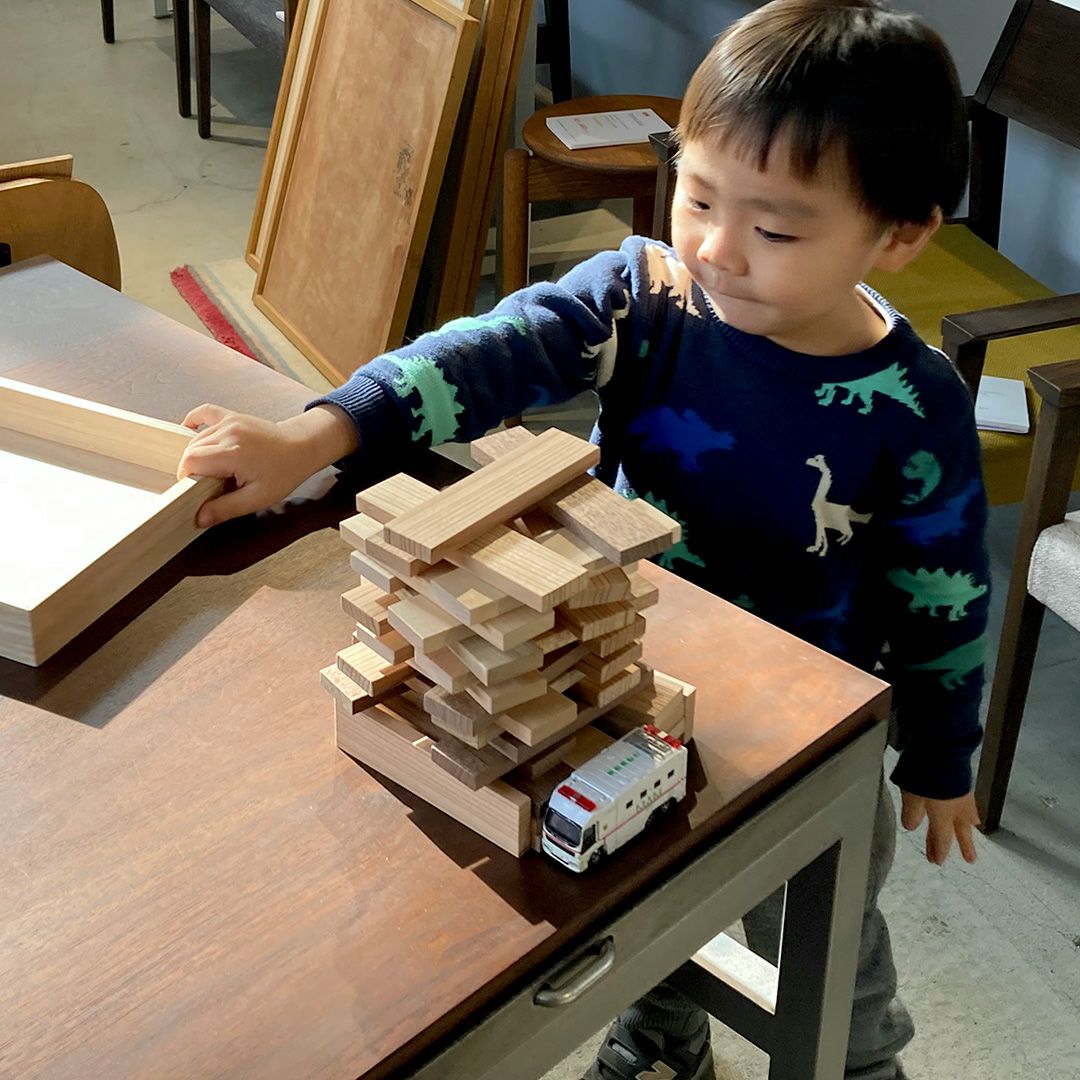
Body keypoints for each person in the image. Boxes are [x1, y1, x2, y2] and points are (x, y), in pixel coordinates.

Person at [178, 2, 988, 1076]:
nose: (715, 248)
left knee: (824, 959)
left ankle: (860, 1066)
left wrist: (939, 755)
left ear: (901, 234)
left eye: (777, 231)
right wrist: (316, 434)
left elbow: (944, 598)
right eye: (698, 196)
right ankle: (661, 1041)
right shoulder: (644, 297)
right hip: (620, 674)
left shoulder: (915, 407)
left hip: (803, 732)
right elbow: (484, 354)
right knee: (633, 890)